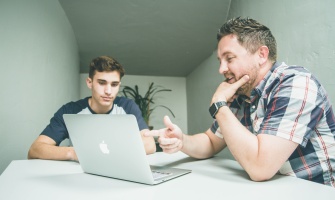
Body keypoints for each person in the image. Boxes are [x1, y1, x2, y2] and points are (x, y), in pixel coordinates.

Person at [145, 17, 335, 187]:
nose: (221, 69)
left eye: (229, 59)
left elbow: (261, 168)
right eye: (220, 61)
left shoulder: (297, 83)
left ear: (261, 54)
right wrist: (182, 141)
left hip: (316, 191)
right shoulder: (243, 93)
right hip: (275, 189)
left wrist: (219, 104)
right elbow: (211, 141)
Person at [28, 56, 156, 161]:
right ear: (90, 82)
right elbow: (35, 149)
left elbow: (150, 145)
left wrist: (104, 151)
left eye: (114, 84)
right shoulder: (70, 111)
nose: (108, 91)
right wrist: (74, 153)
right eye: (102, 83)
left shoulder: (127, 107)